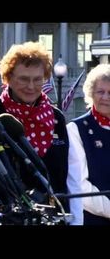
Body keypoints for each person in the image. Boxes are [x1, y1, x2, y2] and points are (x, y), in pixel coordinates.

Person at [0, 41, 83, 225]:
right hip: (7, 218)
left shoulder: (57, 118)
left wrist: (77, 221)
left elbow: (73, 177)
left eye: (38, 79)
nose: (31, 86)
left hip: (54, 217)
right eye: (23, 79)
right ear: (8, 78)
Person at [67, 63, 110, 225]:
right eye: (100, 92)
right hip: (92, 219)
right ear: (91, 93)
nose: (105, 97)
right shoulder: (76, 130)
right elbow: (79, 186)